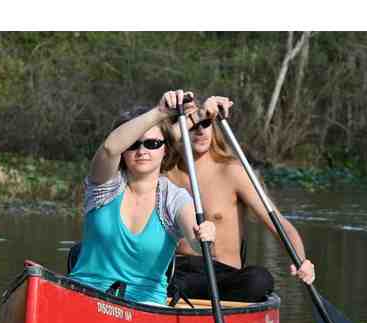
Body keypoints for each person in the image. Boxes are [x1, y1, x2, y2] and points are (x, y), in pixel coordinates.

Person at [68, 90, 216, 305]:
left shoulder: (174, 198)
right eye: (133, 145)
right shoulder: (105, 184)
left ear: (165, 149)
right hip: (85, 296)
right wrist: (159, 113)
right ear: (124, 151)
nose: (142, 151)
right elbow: (110, 148)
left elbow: (196, 243)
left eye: (152, 144)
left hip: (145, 306)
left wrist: (206, 235)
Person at [165, 95, 316, 303]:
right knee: (158, 279)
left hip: (224, 278)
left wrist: (302, 260)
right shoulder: (162, 176)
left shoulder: (233, 172)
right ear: (177, 129)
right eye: (192, 124)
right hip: (180, 274)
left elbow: (280, 224)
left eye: (206, 122)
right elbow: (154, 143)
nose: (200, 130)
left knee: (259, 280)